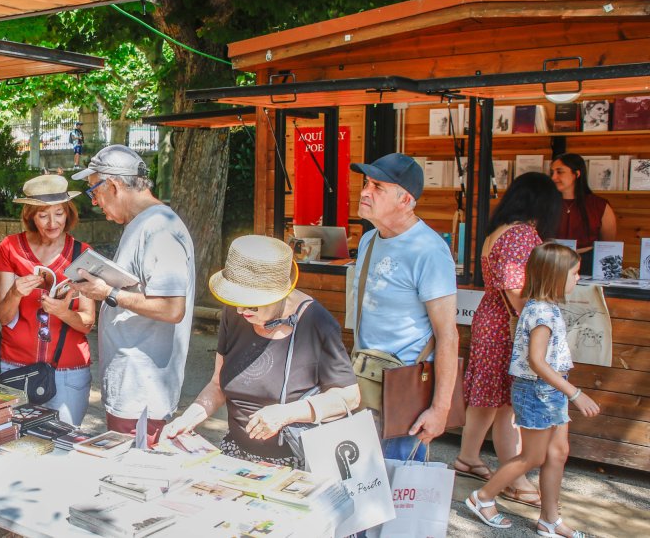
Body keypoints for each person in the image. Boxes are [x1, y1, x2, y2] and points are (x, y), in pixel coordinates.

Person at [162, 235, 360, 465]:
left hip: (296, 461)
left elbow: (349, 397)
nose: (240, 310)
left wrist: (286, 414)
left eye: (251, 303)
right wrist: (187, 420)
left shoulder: (317, 322)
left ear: (280, 295)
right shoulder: (235, 315)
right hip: (236, 453)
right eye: (234, 300)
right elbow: (217, 385)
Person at [465, 243, 600, 536]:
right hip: (539, 391)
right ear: (555, 275)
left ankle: (550, 519)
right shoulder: (541, 312)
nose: (578, 278)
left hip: (550, 391)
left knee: (558, 452)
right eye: (575, 273)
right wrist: (575, 393)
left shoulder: (545, 307)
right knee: (533, 456)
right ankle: (483, 497)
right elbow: (536, 362)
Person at [70, 145, 194, 444]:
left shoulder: (159, 228)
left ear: (113, 185)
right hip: (135, 388)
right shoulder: (144, 224)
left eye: (93, 192)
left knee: (133, 476)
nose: (95, 202)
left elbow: (171, 308)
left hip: (142, 393)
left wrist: (108, 293)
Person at [456, 172, 561, 508]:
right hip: (508, 325)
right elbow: (516, 290)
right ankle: (515, 478)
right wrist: (535, 327)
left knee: (489, 398)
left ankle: (469, 458)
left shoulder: (497, 230)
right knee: (506, 405)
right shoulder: (522, 234)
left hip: (491, 318)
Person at [350, 152, 458, 461]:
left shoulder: (430, 251)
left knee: (399, 496)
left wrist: (440, 410)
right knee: (359, 488)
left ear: (405, 200)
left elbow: (448, 335)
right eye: (366, 183)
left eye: (378, 187)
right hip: (364, 384)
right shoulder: (369, 240)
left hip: (406, 396)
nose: (365, 192)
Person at [0, 175, 95, 425]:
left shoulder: (82, 253)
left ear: (68, 213)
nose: (52, 223)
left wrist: (62, 311)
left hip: (68, 372)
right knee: (15, 446)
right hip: (15, 368)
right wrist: (16, 292)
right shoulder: (10, 248)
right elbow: (3, 317)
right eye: (43, 215)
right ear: (30, 215)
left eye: (59, 213)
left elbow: (87, 323)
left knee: (63, 450)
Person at [550, 153, 617, 275]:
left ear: (577, 174)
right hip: (552, 263)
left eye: (560, 172)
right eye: (552, 172)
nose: (554, 177)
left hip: (588, 265)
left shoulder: (599, 205)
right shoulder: (545, 203)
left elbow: (607, 244)